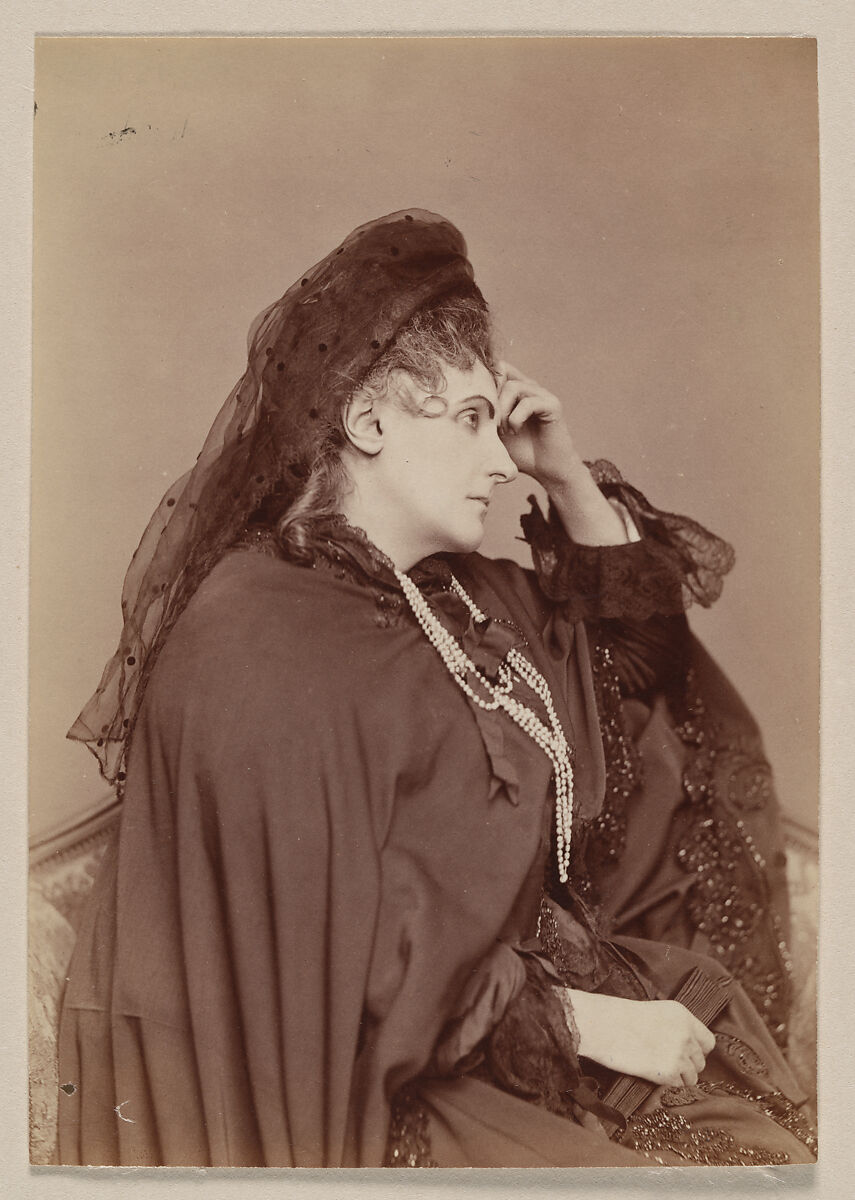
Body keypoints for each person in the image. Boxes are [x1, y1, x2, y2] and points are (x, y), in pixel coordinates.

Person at [57, 209, 815, 1167]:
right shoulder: (250, 637)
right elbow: (323, 950)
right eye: (467, 420)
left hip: (510, 1037)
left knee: (773, 1160)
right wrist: (583, 1022)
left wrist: (565, 475)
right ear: (367, 422)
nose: (500, 462)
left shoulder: (457, 600)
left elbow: (641, 663)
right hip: (374, 1089)